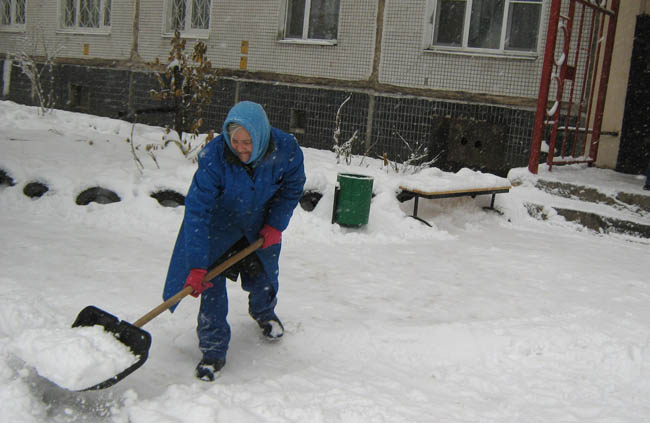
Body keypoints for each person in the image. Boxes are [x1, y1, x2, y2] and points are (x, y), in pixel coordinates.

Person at [162, 101, 306, 381]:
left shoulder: (286, 149)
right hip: (219, 227)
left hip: (259, 226)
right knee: (211, 286)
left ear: (262, 135)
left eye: (248, 141)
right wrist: (196, 265)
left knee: (264, 278)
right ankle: (213, 351)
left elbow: (293, 187)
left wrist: (276, 223)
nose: (240, 148)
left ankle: (265, 313)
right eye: (235, 140)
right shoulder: (214, 156)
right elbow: (197, 211)